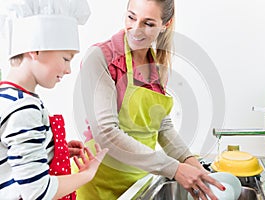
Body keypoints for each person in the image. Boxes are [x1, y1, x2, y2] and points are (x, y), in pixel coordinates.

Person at [76, 0, 225, 199]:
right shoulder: (100, 57)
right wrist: (174, 169)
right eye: (131, 17)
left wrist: (195, 168)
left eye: (148, 23)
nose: (136, 30)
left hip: (138, 185)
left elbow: (162, 126)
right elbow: (106, 133)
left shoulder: (157, 65)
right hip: (97, 184)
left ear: (166, 24)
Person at [0, 0, 108, 199]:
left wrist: (52, 150)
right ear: (35, 49)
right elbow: (37, 191)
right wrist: (88, 174)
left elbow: (11, 163)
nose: (68, 70)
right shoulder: (24, 109)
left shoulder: (9, 97)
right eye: (66, 59)